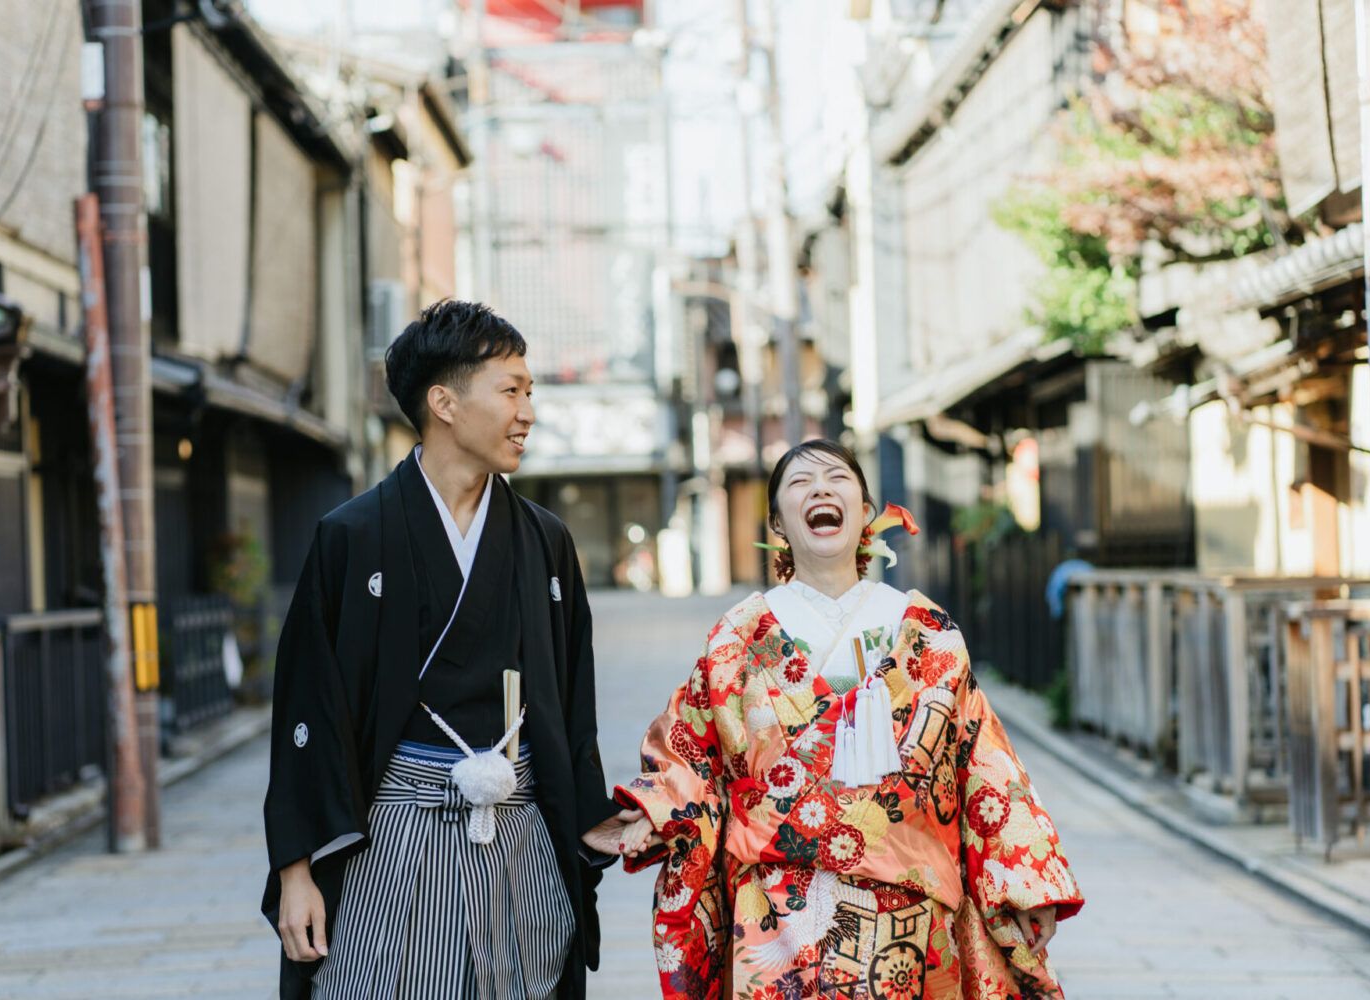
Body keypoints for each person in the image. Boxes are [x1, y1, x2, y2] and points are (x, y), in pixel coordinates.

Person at [590, 439, 1084, 999]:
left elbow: (983, 764)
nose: (820, 488)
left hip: (912, 908)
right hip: (777, 912)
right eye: (800, 483)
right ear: (778, 520)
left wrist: (1028, 885)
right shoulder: (738, 637)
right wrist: (655, 811)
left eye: (836, 478)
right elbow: (690, 752)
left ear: (866, 511)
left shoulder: (926, 630)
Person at [261, 300, 620, 1000]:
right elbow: (307, 715)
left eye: (530, 392)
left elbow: (574, 710)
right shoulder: (352, 536)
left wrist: (595, 818)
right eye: (510, 389)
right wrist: (295, 872)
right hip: (392, 834)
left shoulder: (544, 542)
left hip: (516, 833)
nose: (527, 411)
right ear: (444, 401)